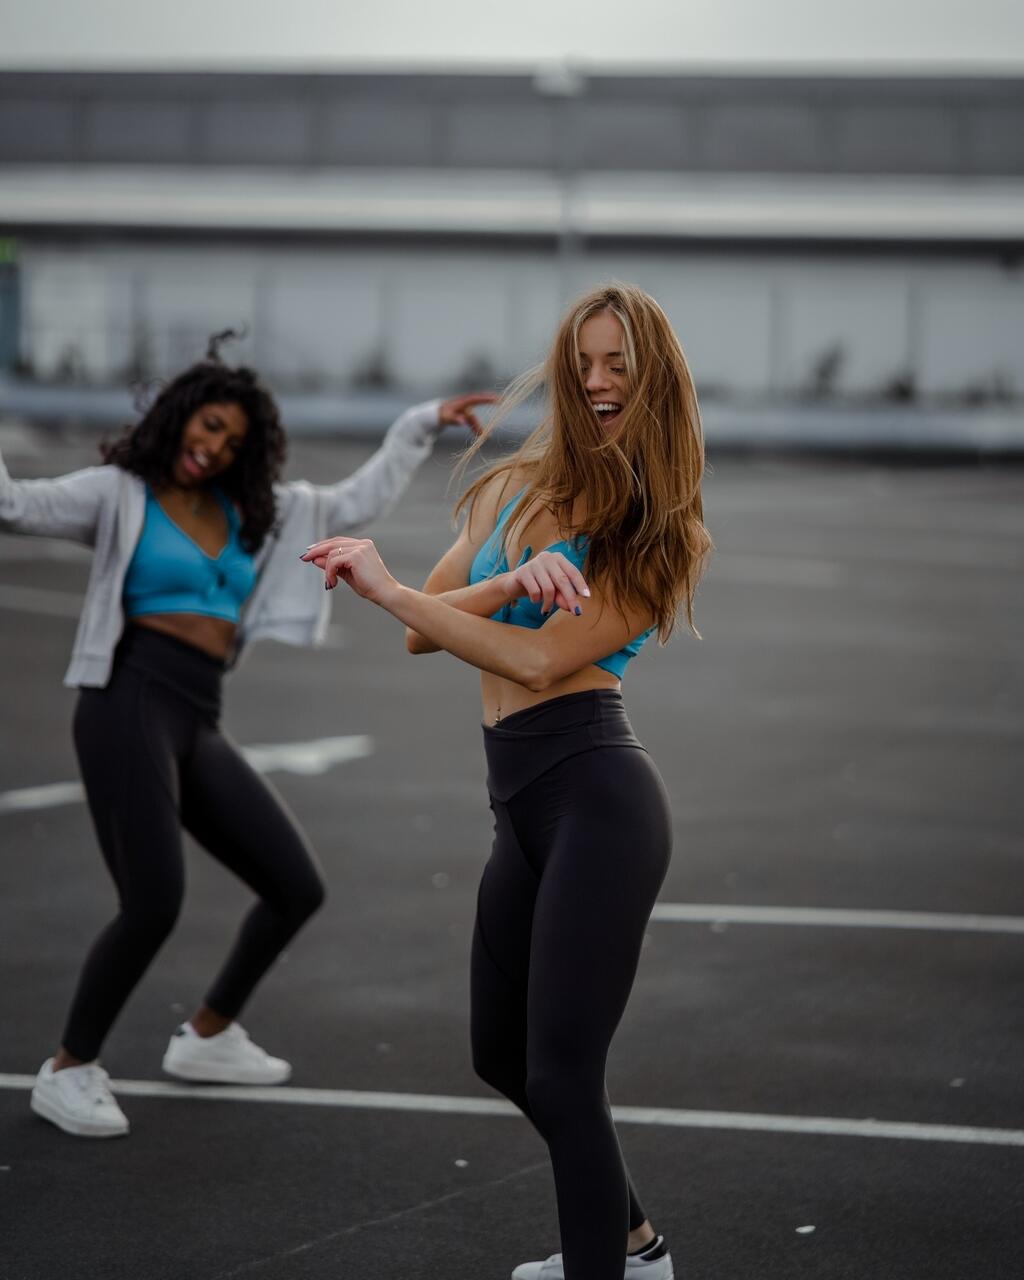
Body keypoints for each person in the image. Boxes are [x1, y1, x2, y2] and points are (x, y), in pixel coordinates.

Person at [302, 284, 712, 1280]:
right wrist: (508, 578)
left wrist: (397, 589)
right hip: (518, 804)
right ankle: (637, 1247)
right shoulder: (512, 489)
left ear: (654, 379)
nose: (598, 381)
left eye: (619, 364)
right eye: (584, 363)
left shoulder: (662, 528)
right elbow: (424, 630)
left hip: (598, 796)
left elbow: (537, 661)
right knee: (502, 1053)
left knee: (564, 1073)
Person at [1, 332, 493, 1138]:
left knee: (294, 885)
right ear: (178, 418)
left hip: (197, 714)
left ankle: (207, 1036)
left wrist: (419, 423)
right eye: (207, 426)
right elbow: (14, 505)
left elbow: (354, 504)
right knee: (153, 901)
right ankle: (68, 1068)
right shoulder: (118, 493)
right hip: (127, 701)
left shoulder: (257, 511)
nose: (215, 446)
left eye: (232, 439)